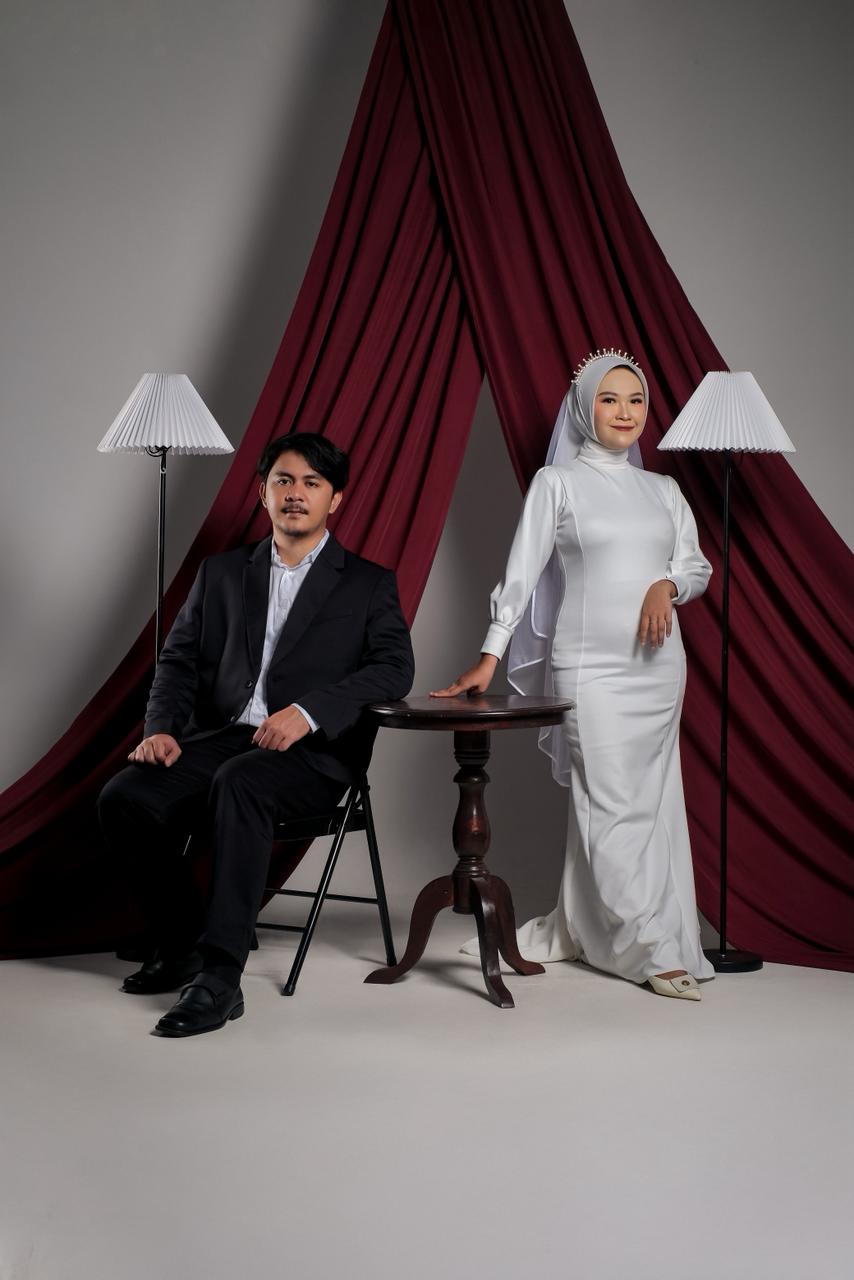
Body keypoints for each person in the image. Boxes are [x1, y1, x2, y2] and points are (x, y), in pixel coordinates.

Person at [98, 432, 414, 1036]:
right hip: (223, 737)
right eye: (283, 481)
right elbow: (178, 660)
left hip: (314, 755)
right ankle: (183, 942)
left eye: (312, 483)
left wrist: (309, 711)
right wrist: (161, 729)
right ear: (262, 493)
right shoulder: (221, 572)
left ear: (335, 500)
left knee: (241, 783)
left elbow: (394, 668)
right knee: (126, 797)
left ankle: (220, 979)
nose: (296, 493)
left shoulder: (367, 582)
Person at [432, 350, 714, 1000]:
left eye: (636, 400)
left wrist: (667, 585)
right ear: (585, 408)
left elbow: (695, 566)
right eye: (609, 399)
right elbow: (521, 576)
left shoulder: (663, 490)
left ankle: (590, 928)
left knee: (650, 804)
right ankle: (648, 948)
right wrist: (490, 654)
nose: (625, 412)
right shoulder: (556, 483)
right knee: (610, 803)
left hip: (659, 669)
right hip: (590, 667)